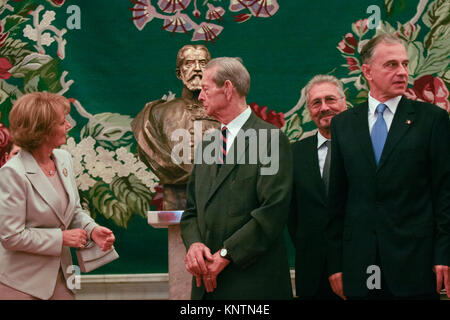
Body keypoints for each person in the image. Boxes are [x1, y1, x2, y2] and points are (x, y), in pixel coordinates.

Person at [326, 33, 450, 300]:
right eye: (391, 64)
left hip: (416, 262)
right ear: (367, 71)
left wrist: (444, 254)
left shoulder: (432, 120)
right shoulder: (343, 124)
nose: (402, 72)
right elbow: (337, 199)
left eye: (405, 64)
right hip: (361, 262)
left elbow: (445, 193)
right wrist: (335, 263)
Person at [180, 57, 293, 299]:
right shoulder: (208, 145)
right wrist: (194, 245)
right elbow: (191, 210)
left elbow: (272, 211)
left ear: (228, 89)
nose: (200, 97)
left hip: (251, 285)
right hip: (206, 287)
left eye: (206, 89)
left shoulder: (270, 139)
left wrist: (224, 255)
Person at [0, 92, 116, 300]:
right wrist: (60, 238)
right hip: (20, 283)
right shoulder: (12, 173)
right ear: (42, 130)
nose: (69, 126)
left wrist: (92, 229)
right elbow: (11, 236)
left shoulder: (63, 159)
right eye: (62, 122)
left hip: (62, 276)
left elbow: (73, 211)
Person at [131, 44, 219, 210]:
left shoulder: (226, 113)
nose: (197, 69)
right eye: (189, 64)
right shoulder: (155, 115)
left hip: (218, 199)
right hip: (177, 196)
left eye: (203, 63)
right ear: (179, 73)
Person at [288, 75, 347, 300]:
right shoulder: (295, 153)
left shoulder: (366, 148)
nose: (324, 108)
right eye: (316, 103)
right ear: (309, 111)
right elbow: (292, 215)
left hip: (359, 267)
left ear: (344, 103)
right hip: (312, 273)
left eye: (330, 99)